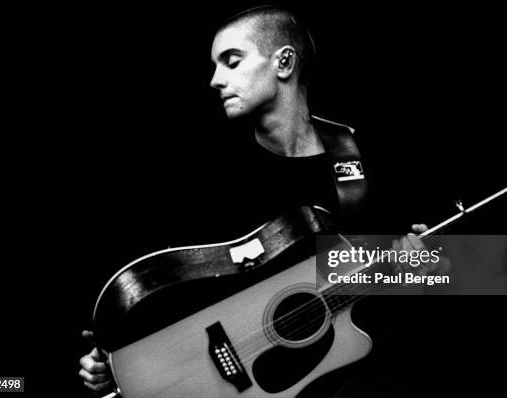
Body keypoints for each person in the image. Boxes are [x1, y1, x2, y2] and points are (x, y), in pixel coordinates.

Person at [78, 5, 448, 396]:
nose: (215, 80)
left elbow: (472, 271)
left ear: (284, 63)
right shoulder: (204, 178)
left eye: (231, 62)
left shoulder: (363, 160)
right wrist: (113, 361)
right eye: (215, 65)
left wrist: (423, 272)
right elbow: (164, 284)